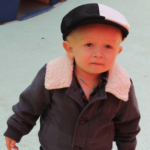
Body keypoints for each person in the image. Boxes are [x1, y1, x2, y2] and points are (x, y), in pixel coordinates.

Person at [4, 3, 141, 150]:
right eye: (89, 44)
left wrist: (127, 146)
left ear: (118, 51)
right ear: (69, 49)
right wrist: (16, 128)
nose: (98, 53)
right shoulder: (52, 75)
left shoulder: (121, 85)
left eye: (108, 46)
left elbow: (128, 124)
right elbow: (30, 105)